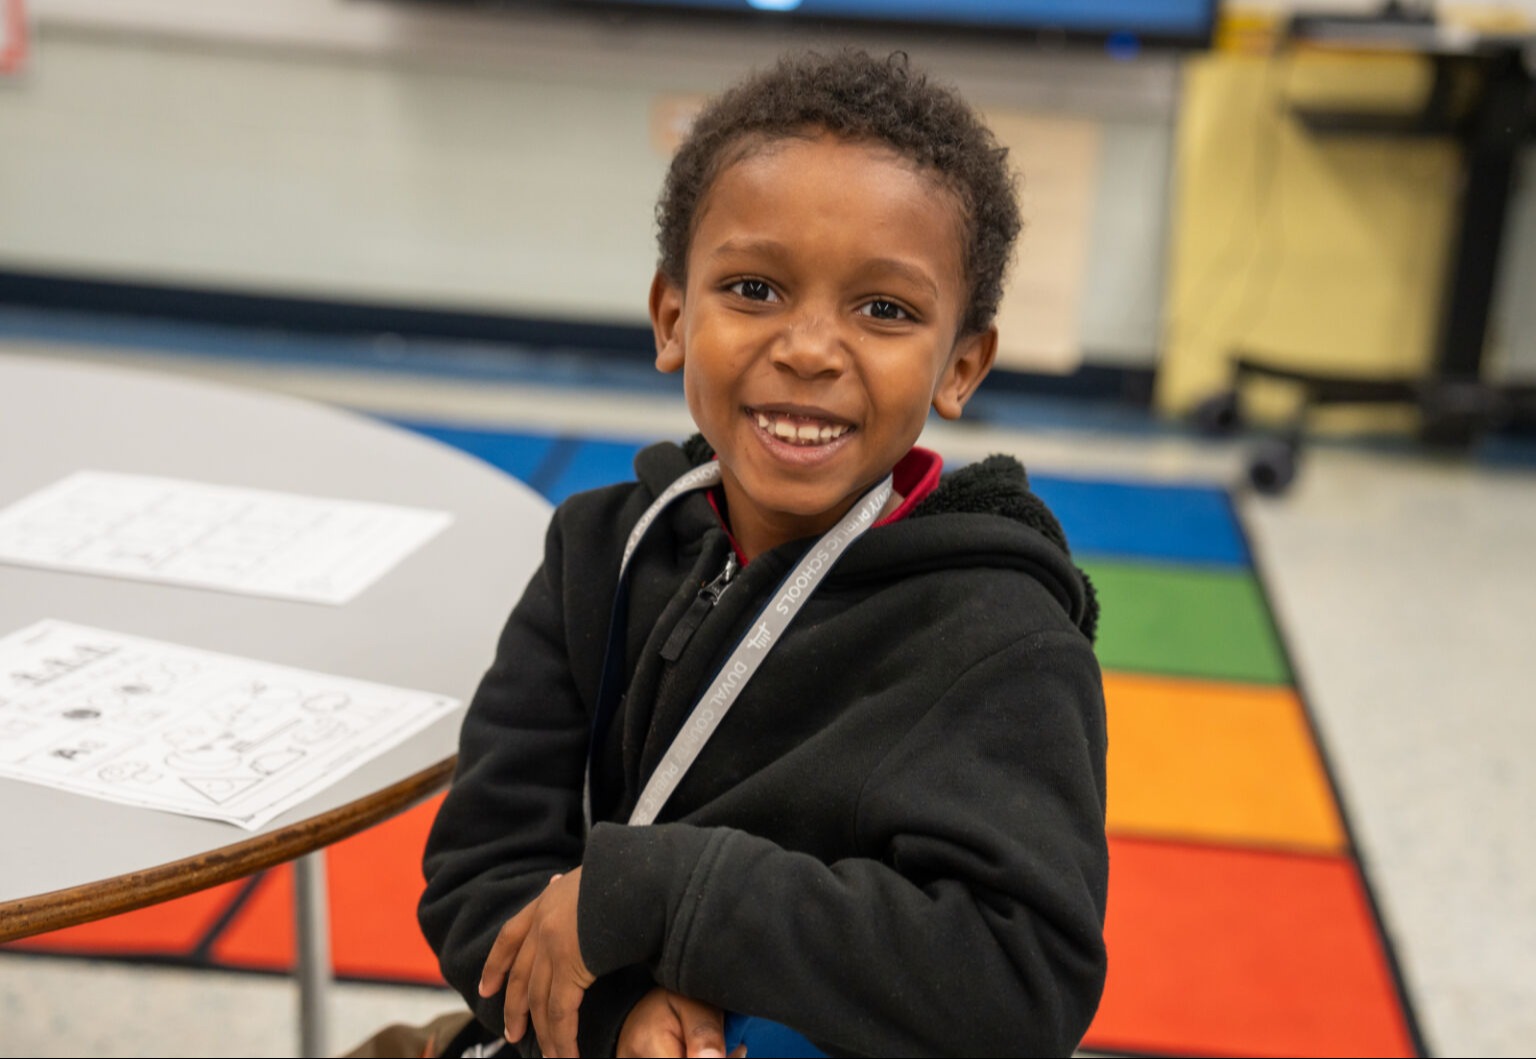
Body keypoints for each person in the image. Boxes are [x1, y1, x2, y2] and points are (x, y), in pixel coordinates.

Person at [417, 48, 1108, 1059]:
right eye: (753, 288)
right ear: (671, 317)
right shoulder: (597, 556)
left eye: (885, 310)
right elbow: (481, 872)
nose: (810, 348)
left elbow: (1020, 980)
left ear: (960, 364)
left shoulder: (1003, 640)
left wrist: (662, 892)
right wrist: (620, 1023)